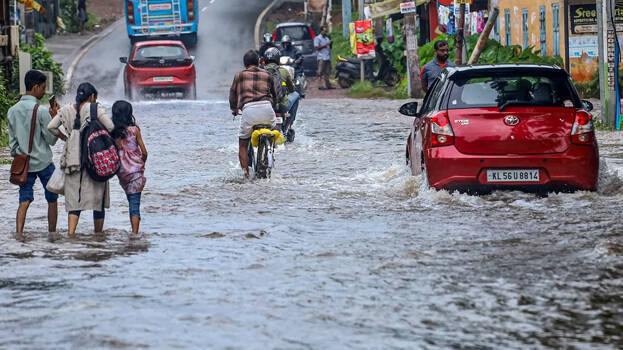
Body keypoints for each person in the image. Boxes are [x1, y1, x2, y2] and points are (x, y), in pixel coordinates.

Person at [48, 83, 113, 236]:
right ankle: (98, 236)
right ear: (92, 97)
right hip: (94, 157)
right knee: (98, 202)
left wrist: (66, 138)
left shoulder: (65, 110)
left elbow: (51, 126)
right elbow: (110, 127)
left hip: (72, 157)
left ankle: (71, 235)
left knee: (74, 201)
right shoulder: (95, 109)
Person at [7, 70, 59, 238]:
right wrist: (55, 118)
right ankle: (52, 235)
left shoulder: (12, 111)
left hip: (25, 164)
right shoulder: (42, 111)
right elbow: (51, 140)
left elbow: (13, 143)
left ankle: (19, 235)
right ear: (35, 87)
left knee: (24, 200)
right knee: (52, 199)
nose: (44, 91)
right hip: (44, 163)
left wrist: (20, 155)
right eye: (43, 88)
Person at [229, 50, 278, 178]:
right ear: (258, 62)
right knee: (273, 132)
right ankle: (269, 151)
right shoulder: (267, 74)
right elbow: (274, 95)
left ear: (245, 64)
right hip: (267, 108)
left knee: (243, 144)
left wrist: (234, 109)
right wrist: (273, 107)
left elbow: (232, 95)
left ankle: (246, 175)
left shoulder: (239, 76)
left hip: (249, 111)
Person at [111, 101, 148, 235]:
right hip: (135, 173)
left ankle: (134, 232)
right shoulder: (134, 130)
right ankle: (135, 234)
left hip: (121, 173)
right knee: (134, 203)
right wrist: (140, 163)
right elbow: (144, 152)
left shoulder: (113, 132)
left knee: (130, 199)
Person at [264, 47, 300, 132]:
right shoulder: (284, 71)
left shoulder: (260, 71)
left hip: (264, 105)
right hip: (281, 106)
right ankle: (289, 124)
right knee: (296, 95)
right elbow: (291, 89)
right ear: (278, 59)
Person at [314, 25, 334, 90]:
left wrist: (330, 45)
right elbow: (316, 47)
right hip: (321, 57)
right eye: (324, 31)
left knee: (327, 72)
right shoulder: (317, 38)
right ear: (321, 31)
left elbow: (329, 48)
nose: (325, 32)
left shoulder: (327, 38)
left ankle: (328, 85)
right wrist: (324, 46)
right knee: (320, 72)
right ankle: (320, 85)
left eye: (326, 31)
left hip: (327, 57)